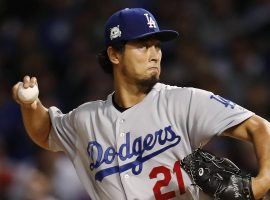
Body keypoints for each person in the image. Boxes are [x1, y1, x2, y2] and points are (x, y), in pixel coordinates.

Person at [12, 8, 270, 200]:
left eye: (157, 46)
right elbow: (45, 132)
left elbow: (261, 128)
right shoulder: (86, 119)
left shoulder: (184, 101)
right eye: (143, 45)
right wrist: (31, 104)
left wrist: (260, 184)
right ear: (114, 54)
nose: (155, 54)